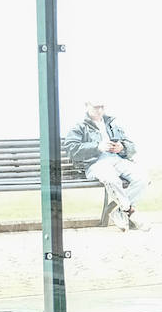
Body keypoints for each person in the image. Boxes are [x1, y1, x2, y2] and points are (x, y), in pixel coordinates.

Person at [62, 98, 151, 231]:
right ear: (87, 106)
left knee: (143, 178)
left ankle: (119, 212)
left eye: (102, 107)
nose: (100, 110)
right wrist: (97, 147)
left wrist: (122, 147)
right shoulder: (79, 126)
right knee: (111, 179)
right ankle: (130, 211)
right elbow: (71, 149)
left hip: (117, 160)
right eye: (96, 107)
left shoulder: (111, 123)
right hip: (95, 164)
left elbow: (131, 145)